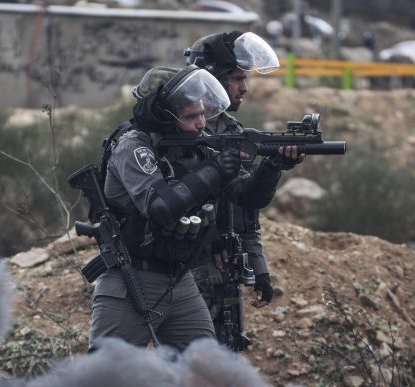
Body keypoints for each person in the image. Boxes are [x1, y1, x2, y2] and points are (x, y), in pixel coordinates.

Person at [89, 65, 283, 352]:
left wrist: (272, 165)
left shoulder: (197, 149)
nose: (202, 124)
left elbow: (246, 196)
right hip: (130, 278)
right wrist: (213, 171)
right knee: (104, 378)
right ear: (165, 118)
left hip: (180, 281)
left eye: (203, 114)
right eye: (192, 117)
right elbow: (159, 207)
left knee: (205, 371)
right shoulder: (134, 147)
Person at [184, 31, 304, 350]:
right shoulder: (179, 134)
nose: (244, 88)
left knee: (227, 357)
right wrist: (209, 240)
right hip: (186, 273)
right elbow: (168, 202)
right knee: (191, 364)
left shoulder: (232, 132)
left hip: (225, 270)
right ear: (210, 80)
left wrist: (271, 166)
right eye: (237, 78)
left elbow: (245, 203)